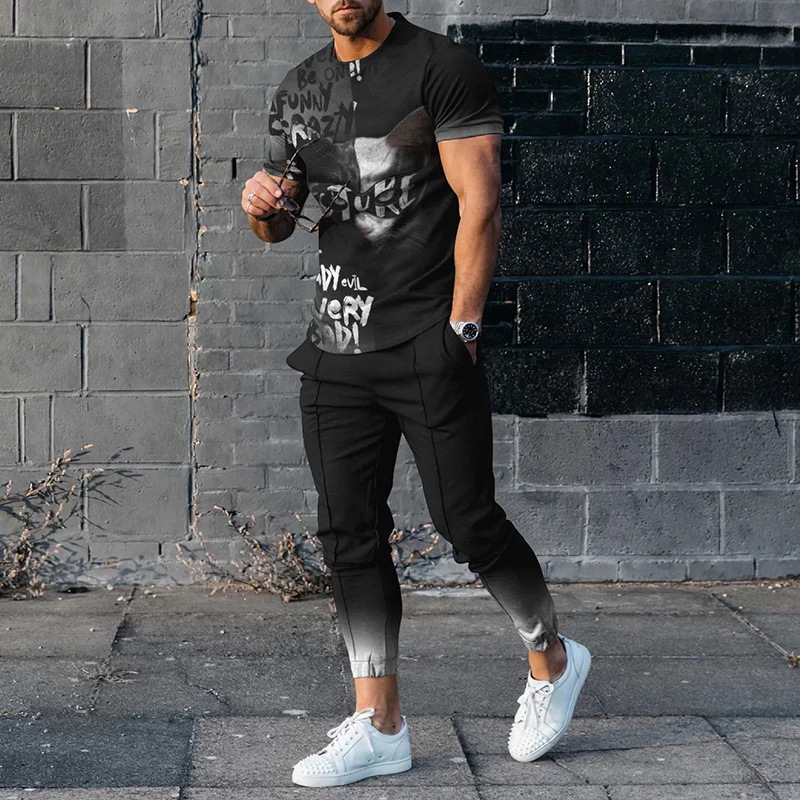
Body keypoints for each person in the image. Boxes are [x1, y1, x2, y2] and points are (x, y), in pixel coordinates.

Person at [240, 0, 591, 788]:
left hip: (428, 338)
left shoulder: (442, 68)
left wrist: (461, 329)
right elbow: (282, 221)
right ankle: (381, 726)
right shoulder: (300, 88)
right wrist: (262, 205)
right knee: (349, 534)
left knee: (469, 522)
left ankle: (553, 659)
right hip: (336, 343)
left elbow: (481, 201)